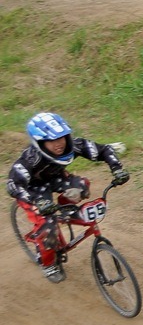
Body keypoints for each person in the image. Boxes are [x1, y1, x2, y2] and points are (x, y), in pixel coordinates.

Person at [6, 112, 130, 283]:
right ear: (40, 143)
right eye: (52, 140)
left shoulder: (74, 145)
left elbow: (104, 150)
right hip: (32, 190)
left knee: (82, 186)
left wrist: (117, 169)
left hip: (56, 178)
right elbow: (13, 185)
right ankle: (48, 264)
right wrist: (36, 203)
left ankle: (65, 211)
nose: (59, 144)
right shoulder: (29, 160)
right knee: (48, 227)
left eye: (62, 137)